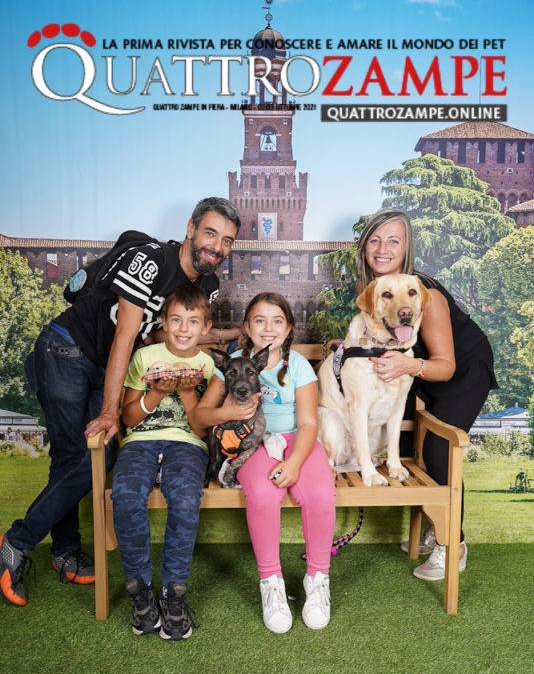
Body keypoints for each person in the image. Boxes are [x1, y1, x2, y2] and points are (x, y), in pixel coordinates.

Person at [0, 197, 241, 607]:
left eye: (227, 241)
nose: (217, 247)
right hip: (68, 349)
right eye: (211, 234)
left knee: (80, 458)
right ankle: (17, 542)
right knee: (82, 455)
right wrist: (111, 411)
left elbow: (163, 334)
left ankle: (62, 552)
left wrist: (224, 336)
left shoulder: (206, 285)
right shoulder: (151, 260)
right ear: (190, 228)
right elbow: (126, 336)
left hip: (104, 364)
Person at [356, 208, 497, 581]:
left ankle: (453, 545)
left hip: (461, 369)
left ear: (406, 250)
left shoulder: (426, 294)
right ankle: (434, 529)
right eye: (375, 239)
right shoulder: (371, 291)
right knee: (413, 445)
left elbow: (444, 366)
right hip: (418, 369)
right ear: (364, 247)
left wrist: (405, 367)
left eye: (393, 241)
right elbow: (381, 340)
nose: (383, 248)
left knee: (438, 450)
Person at [194, 292, 336, 633]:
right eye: (259, 320)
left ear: (289, 329)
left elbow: (308, 423)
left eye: (277, 321)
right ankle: (271, 583)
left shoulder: (298, 365)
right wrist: (227, 412)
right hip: (252, 442)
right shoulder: (232, 362)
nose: (268, 328)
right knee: (260, 493)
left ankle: (317, 579)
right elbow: (200, 416)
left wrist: (295, 462)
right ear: (246, 327)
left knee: (319, 493)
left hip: (296, 440)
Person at [112, 285, 214, 640]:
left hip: (187, 445)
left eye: (193, 321)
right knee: (125, 498)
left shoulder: (209, 365)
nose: (184, 328)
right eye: (176, 320)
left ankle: (174, 593)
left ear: (206, 327)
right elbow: (127, 419)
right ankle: (140, 592)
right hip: (140, 442)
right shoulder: (144, 357)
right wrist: (156, 392)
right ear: (164, 322)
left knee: (186, 500)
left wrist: (186, 391)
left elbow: (201, 430)